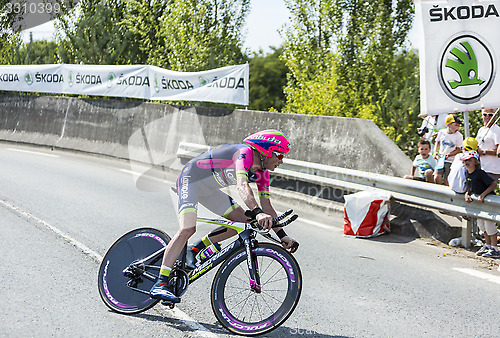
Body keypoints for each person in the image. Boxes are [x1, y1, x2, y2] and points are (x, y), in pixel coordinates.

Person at [149, 130, 298, 303]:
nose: (282, 160)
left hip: (209, 191)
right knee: (188, 228)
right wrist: (257, 212)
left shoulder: (262, 174)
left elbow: (267, 206)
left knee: (244, 222)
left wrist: (283, 235)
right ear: (266, 150)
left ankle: (195, 248)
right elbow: (242, 187)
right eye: (279, 155)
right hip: (190, 181)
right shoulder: (245, 154)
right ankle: (160, 283)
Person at [461, 151, 499, 257]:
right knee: (482, 225)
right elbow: (469, 185)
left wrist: (483, 195)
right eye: (465, 161)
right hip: (479, 203)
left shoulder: (480, 173)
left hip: (487, 202)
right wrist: (467, 193)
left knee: (489, 225)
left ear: (476, 161)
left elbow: (493, 184)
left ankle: (495, 248)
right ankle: (487, 245)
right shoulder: (466, 172)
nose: (467, 162)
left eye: (470, 160)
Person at [433, 114, 463, 185]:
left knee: (448, 179)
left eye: (458, 126)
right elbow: (437, 142)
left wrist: (449, 154)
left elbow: (458, 149)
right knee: (437, 177)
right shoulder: (442, 132)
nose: (457, 128)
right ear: (448, 125)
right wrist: (435, 152)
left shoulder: (459, 136)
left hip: (450, 160)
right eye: (456, 125)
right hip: (441, 158)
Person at [476, 108, 500, 184]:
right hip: (481, 168)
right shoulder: (481, 130)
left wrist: (483, 152)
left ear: (495, 116)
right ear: (481, 115)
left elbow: (499, 152)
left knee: (488, 194)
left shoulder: (497, 130)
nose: (487, 117)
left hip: (492, 170)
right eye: (485, 114)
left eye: (490, 115)